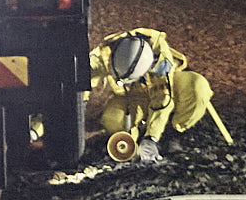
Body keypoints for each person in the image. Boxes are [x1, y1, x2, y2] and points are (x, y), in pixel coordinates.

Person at [87, 27, 229, 162]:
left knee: (197, 88)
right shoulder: (103, 54)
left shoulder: (158, 56)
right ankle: (138, 135)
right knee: (113, 121)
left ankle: (172, 134)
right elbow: (83, 76)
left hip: (172, 87)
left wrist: (151, 138)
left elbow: (162, 99)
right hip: (132, 95)